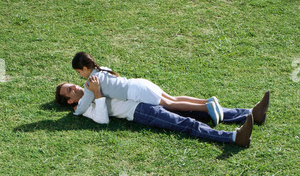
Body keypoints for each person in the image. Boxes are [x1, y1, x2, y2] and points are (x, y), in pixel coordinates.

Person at [55, 76, 270, 148]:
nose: (74, 87)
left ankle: (251, 113)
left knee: (198, 111)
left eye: (72, 85)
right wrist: (98, 94)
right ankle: (235, 137)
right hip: (139, 111)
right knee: (185, 123)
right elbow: (102, 120)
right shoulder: (82, 109)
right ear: (69, 101)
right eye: (69, 90)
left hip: (142, 98)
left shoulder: (93, 84)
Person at [71, 52, 224, 125]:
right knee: (173, 98)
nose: (80, 76)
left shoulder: (92, 82)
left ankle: (206, 107)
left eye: (79, 72)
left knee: (170, 104)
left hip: (137, 92)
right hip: (140, 84)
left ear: (85, 68)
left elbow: (85, 102)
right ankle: (208, 101)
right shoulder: (103, 69)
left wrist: (77, 112)